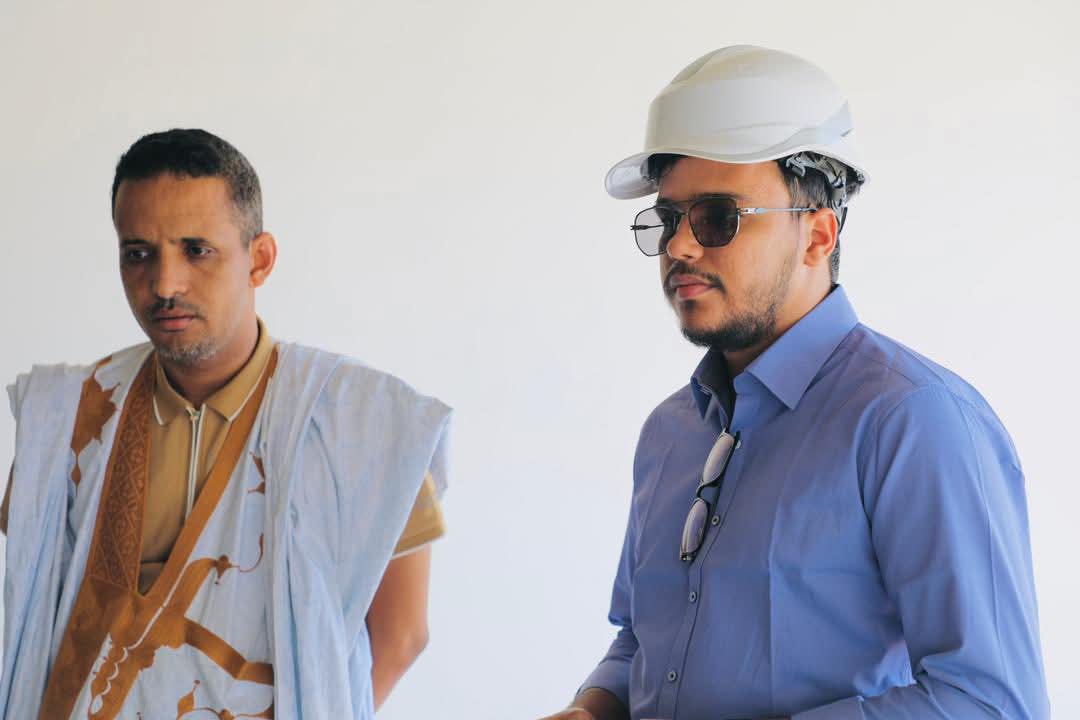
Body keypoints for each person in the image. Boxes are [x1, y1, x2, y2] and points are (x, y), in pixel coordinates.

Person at [540, 45, 1049, 720]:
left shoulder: (914, 422)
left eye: (717, 217)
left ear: (818, 234)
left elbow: (989, 702)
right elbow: (642, 640)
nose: (680, 247)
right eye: (668, 219)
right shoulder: (670, 432)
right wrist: (592, 708)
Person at [0, 128, 452, 719]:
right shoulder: (69, 416)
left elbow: (400, 635)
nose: (165, 284)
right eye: (138, 253)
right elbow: (38, 615)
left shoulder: (360, 424)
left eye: (196, 250)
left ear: (259, 259)